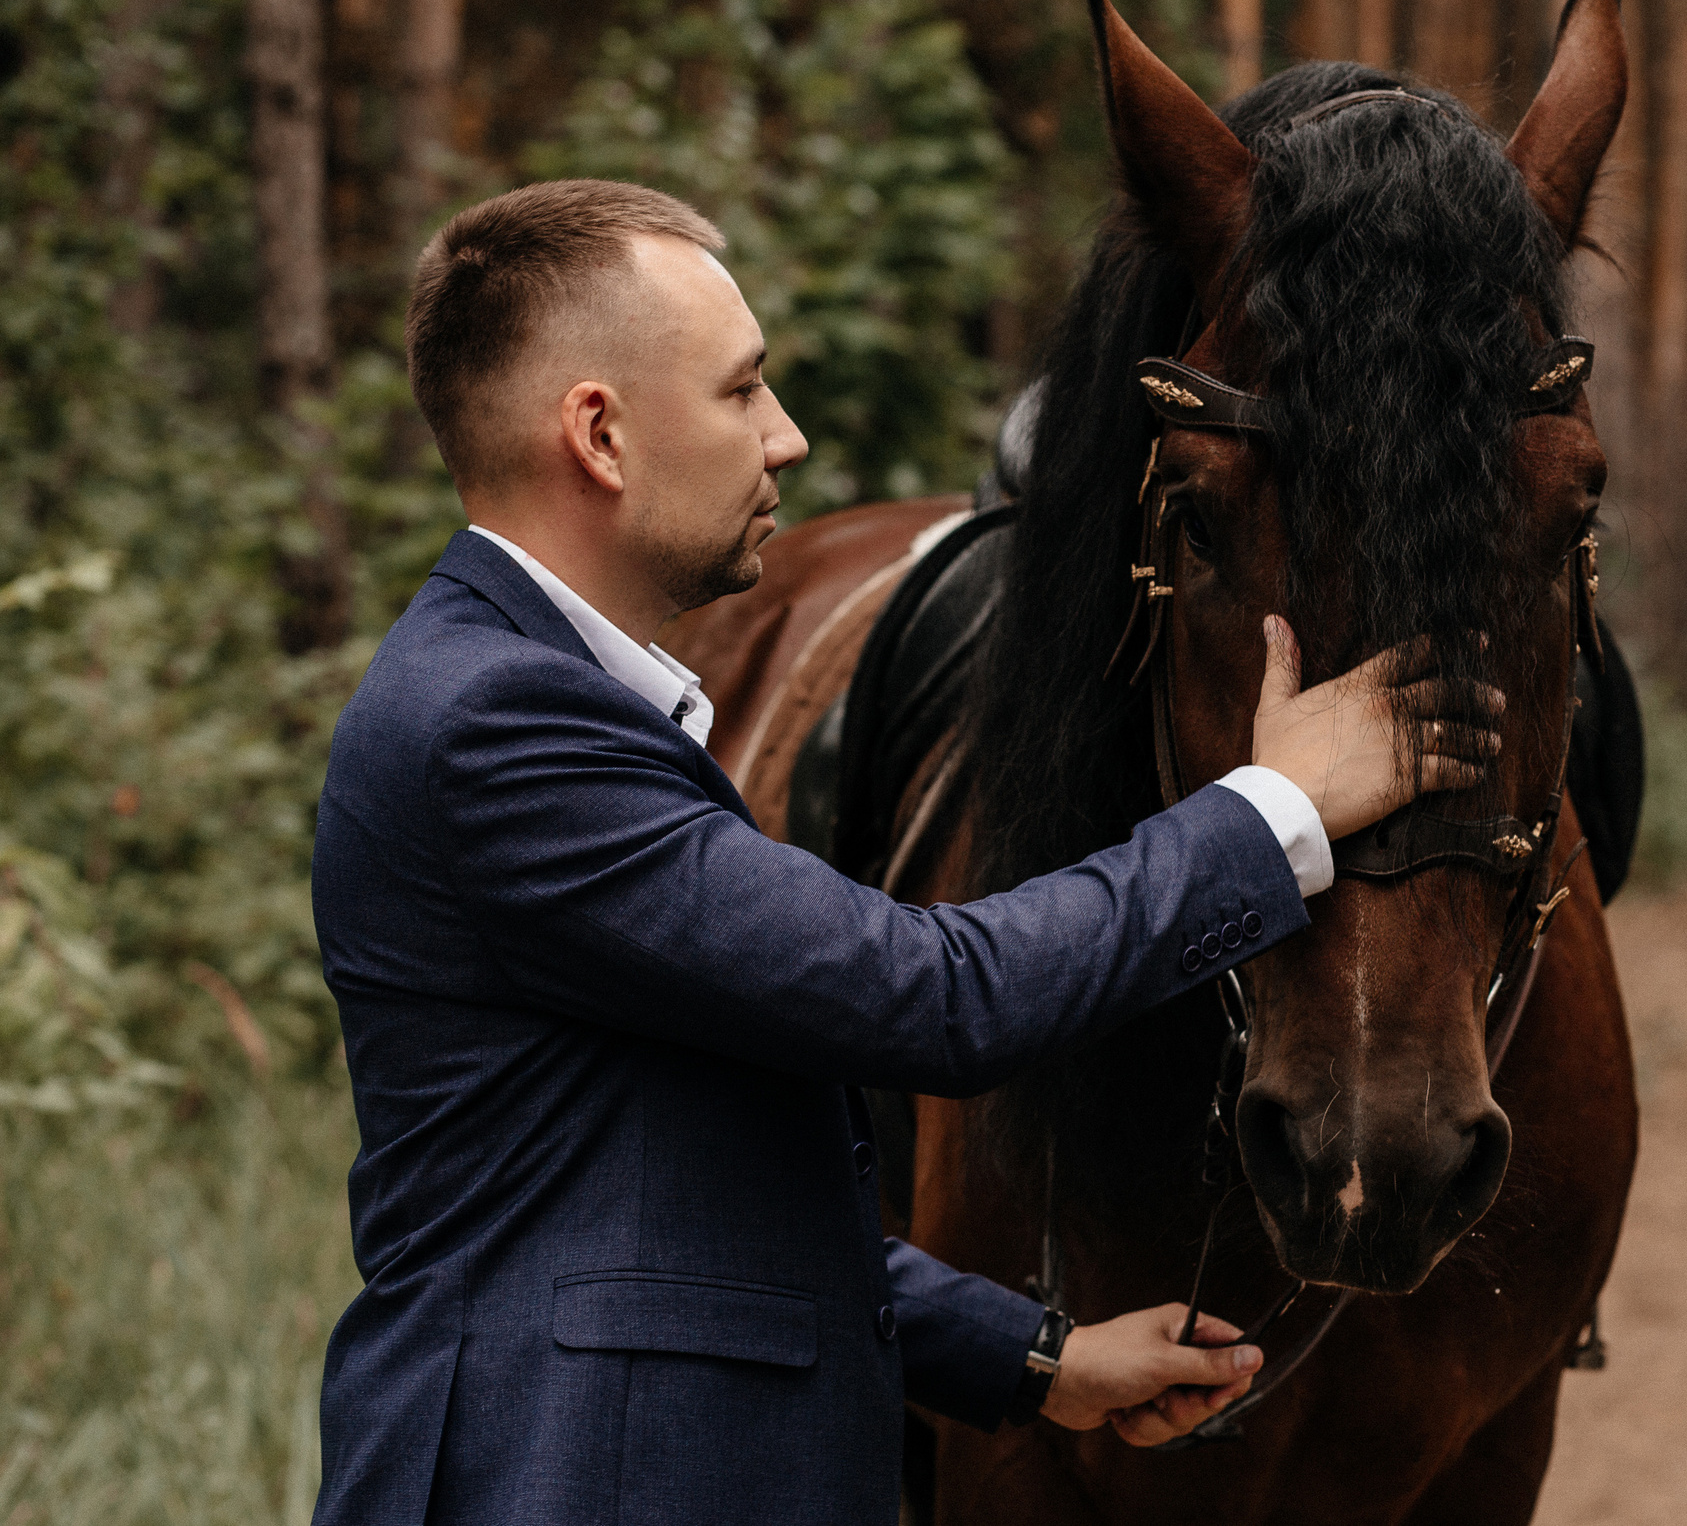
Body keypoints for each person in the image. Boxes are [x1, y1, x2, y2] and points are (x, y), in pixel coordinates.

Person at [309, 179, 1499, 1525]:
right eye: (742, 390)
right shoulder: (497, 725)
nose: (788, 437)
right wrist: (1274, 809)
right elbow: (931, 996)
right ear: (600, 433)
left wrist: (1036, 1360)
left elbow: (680, 1196)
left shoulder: (546, 700)